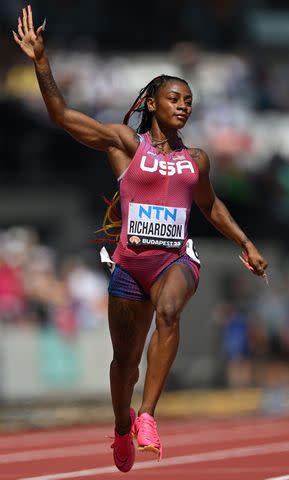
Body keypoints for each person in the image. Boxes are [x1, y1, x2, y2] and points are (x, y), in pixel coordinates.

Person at [13, 6, 268, 473]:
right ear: (152, 103)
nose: (184, 105)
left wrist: (245, 243)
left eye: (189, 100)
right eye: (174, 97)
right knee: (123, 364)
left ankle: (148, 416)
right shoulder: (124, 145)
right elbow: (62, 115)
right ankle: (121, 425)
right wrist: (41, 62)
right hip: (130, 263)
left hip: (176, 260)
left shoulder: (198, 159)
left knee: (170, 310)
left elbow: (210, 207)